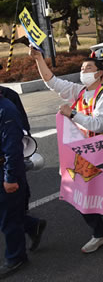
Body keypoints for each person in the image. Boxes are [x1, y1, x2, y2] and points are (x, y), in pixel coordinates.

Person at [29, 47, 103, 253]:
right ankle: (100, 233)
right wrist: (39, 58)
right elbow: (52, 81)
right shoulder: (79, 91)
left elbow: (99, 124)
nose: (83, 71)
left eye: (88, 68)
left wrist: (72, 114)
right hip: (83, 156)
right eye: (82, 68)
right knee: (81, 194)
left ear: (100, 73)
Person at [0, 96, 46, 278]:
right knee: (6, 213)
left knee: (8, 216)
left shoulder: (5, 110)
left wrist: (10, 176)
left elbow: (13, 148)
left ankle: (15, 258)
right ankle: (32, 225)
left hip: (6, 168)